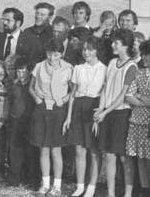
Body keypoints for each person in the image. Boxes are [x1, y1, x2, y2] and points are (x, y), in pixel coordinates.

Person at [93, 29, 137, 197]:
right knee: (109, 155)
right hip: (108, 113)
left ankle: (127, 193)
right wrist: (101, 109)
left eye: (116, 43)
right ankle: (110, 194)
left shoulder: (131, 67)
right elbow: (105, 88)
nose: (112, 45)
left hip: (122, 114)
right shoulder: (112, 63)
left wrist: (105, 112)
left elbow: (123, 96)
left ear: (125, 46)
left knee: (124, 157)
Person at [62, 36, 107, 197]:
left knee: (94, 150)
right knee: (79, 149)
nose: (86, 52)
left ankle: (92, 186)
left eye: (90, 49)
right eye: (84, 49)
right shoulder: (78, 68)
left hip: (94, 107)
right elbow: (73, 94)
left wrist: (98, 114)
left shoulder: (104, 69)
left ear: (97, 50)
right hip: (78, 109)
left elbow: (104, 93)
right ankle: (80, 186)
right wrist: (68, 117)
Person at [29, 38, 73, 196]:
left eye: (55, 55)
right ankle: (45, 183)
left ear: (61, 54)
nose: (52, 58)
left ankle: (57, 186)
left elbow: (73, 90)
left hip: (58, 111)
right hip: (41, 110)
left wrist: (65, 99)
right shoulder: (39, 66)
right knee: (44, 149)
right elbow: (31, 86)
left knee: (56, 150)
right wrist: (36, 98)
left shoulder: (68, 68)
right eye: (49, 54)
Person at [125, 39, 150, 197]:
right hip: (136, 120)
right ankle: (144, 188)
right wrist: (145, 99)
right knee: (140, 158)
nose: (146, 57)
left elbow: (135, 95)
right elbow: (128, 95)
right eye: (145, 54)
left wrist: (139, 96)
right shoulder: (139, 73)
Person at [6, 56, 37, 187]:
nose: (21, 74)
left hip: (30, 121)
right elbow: (9, 102)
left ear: (29, 71)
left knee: (31, 151)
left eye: (23, 71)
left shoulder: (33, 85)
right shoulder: (13, 85)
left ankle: (31, 179)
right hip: (16, 120)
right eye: (18, 71)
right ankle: (14, 178)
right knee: (15, 150)